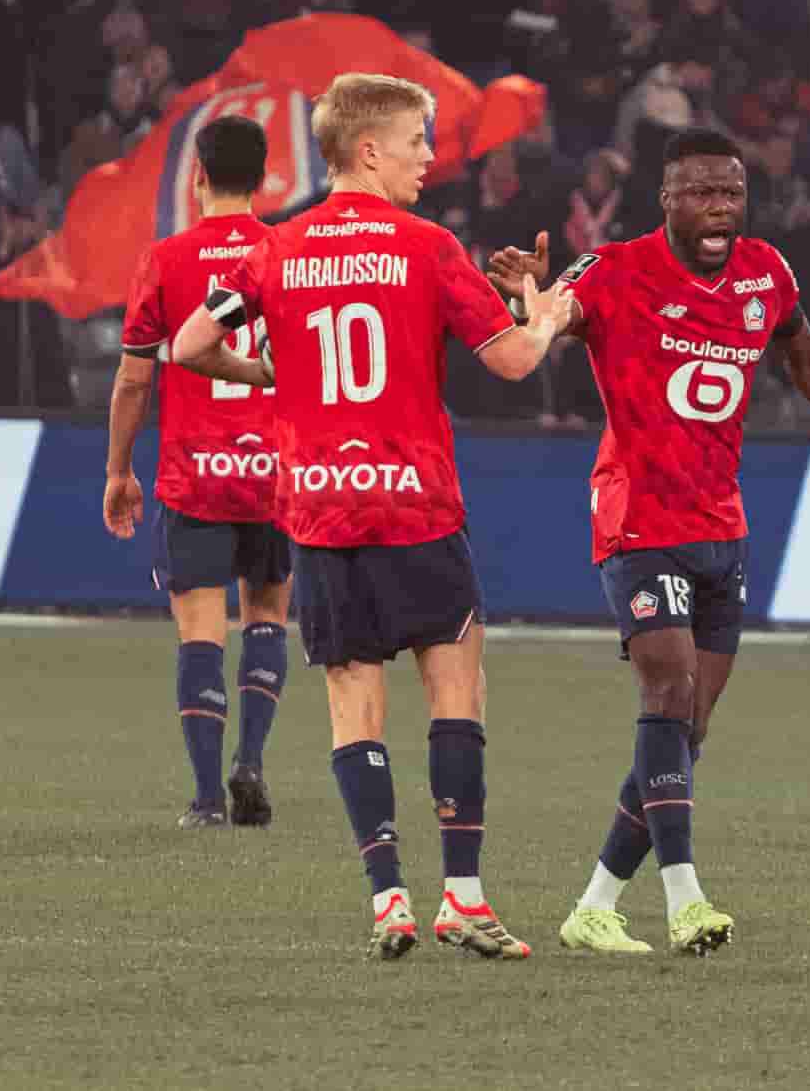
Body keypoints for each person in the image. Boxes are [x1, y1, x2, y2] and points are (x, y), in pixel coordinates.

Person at [483, 128, 810, 956]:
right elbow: (553, 318)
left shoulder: (766, 272)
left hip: (721, 523)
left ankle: (594, 904)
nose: (720, 206)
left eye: (731, 191)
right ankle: (686, 900)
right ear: (667, 200)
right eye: (701, 192)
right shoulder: (616, 268)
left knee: (688, 730)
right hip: (637, 515)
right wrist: (530, 304)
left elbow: (808, 360)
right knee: (670, 688)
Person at [172, 73, 576, 961]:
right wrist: (542, 317)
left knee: (353, 704)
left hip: (320, 510)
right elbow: (510, 361)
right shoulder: (426, 246)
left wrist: (271, 376)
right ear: (368, 150)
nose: (429, 158)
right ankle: (463, 899)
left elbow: (190, 346)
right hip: (416, 505)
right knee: (456, 690)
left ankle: (389, 897)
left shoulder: (276, 249)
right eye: (418, 142)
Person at [105, 117, 293, 830]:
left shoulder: (166, 258)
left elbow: (132, 379)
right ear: (267, 177)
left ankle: (209, 797)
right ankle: (251, 757)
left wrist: (119, 470)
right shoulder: (284, 252)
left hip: (195, 476)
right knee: (269, 616)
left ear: (198, 177)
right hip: (273, 473)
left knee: (200, 634)